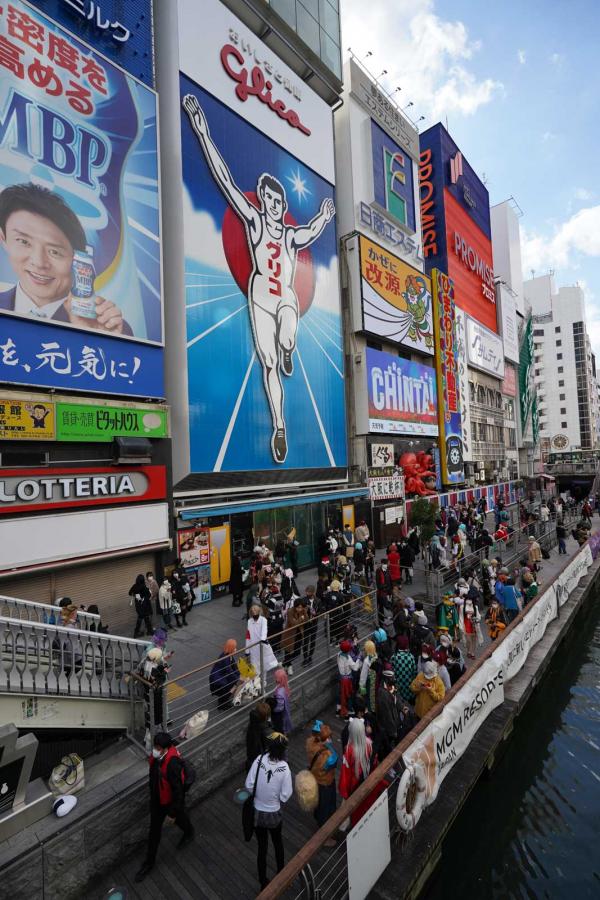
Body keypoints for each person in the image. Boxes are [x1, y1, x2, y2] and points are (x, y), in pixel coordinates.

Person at [184, 95, 335, 465]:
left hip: (283, 295)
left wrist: (325, 217)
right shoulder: (252, 222)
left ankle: (289, 347)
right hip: (259, 294)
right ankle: (279, 426)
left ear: (282, 206)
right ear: (263, 200)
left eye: (276, 200)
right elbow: (226, 181)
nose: (270, 203)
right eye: (266, 197)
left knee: (288, 325)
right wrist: (202, 132)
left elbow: (311, 231)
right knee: (268, 367)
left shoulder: (288, 234)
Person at [0, 183, 131, 335]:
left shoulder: (109, 327)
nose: (39, 262)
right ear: (4, 240)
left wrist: (95, 339)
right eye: (24, 242)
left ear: (78, 260)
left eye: (54, 252)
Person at [134, 732, 194, 882]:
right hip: (157, 801)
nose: (154, 749)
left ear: (166, 749)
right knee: (154, 832)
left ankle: (189, 831)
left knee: (180, 819)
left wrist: (172, 813)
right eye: (155, 746)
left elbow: (178, 792)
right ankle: (149, 862)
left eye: (158, 747)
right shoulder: (157, 759)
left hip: (170, 803)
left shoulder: (172, 764)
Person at [245, 732, 293, 890]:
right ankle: (281, 873)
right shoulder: (284, 768)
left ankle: (262, 882)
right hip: (274, 812)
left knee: (262, 848)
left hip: (258, 813)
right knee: (278, 843)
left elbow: (249, 785)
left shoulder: (259, 760)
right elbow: (285, 795)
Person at [305, 720, 338, 838]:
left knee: (319, 804)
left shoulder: (310, 742)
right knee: (326, 807)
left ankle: (319, 818)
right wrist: (328, 747)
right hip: (326, 782)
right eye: (328, 738)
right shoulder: (326, 755)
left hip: (316, 779)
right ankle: (325, 835)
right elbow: (334, 761)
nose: (330, 740)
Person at [339, 717, 374, 814]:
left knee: (347, 808)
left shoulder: (349, 750)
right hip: (364, 777)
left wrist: (345, 793)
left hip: (353, 783)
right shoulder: (369, 743)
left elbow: (345, 774)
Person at [246, 604, 279, 675]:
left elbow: (264, 630)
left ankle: (263, 681)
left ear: (259, 611)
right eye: (252, 609)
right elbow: (248, 636)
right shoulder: (249, 621)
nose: (253, 610)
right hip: (253, 647)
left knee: (264, 665)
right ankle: (256, 683)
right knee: (254, 666)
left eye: (255, 609)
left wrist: (262, 639)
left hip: (262, 645)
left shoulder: (263, 620)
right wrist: (247, 650)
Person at [209, 639, 239, 711]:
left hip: (220, 676)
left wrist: (239, 674)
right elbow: (229, 671)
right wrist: (238, 679)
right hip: (217, 679)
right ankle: (222, 704)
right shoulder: (226, 658)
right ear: (231, 648)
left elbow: (234, 667)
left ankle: (224, 700)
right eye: (234, 648)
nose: (236, 649)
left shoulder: (229, 655)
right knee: (231, 684)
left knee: (232, 682)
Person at [281, 597, 307, 675]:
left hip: (299, 634)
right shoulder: (290, 611)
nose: (300, 609)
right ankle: (288, 667)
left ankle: (283, 664)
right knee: (288, 651)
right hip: (289, 635)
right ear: (295, 606)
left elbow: (307, 619)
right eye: (298, 607)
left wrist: (303, 615)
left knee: (297, 653)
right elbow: (293, 624)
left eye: (301, 607)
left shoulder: (303, 610)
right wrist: (301, 618)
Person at [246, 701, 272, 773]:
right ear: (266, 716)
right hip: (260, 758)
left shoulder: (253, 722)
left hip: (251, 755)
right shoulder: (265, 729)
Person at [337, 639, 361, 718]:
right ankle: (348, 714)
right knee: (349, 695)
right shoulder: (348, 658)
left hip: (341, 678)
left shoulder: (339, 654)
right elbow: (355, 668)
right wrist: (358, 659)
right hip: (347, 680)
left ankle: (338, 710)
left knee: (341, 694)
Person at [390, 635, 417, 704]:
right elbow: (414, 672)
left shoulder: (394, 657)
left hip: (399, 688)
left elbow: (392, 673)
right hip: (410, 688)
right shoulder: (411, 657)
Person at [271, 668, 292, 735]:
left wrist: (272, 709)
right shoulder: (285, 686)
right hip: (285, 710)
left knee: (282, 725)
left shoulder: (279, 693)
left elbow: (279, 708)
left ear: (279, 679)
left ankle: (283, 737)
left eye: (276, 677)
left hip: (281, 713)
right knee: (285, 721)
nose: (274, 678)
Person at [301, 586, 318, 666]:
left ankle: (310, 657)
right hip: (306, 624)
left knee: (313, 641)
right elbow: (300, 611)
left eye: (308, 592)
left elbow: (320, 611)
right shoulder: (303, 601)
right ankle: (305, 658)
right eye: (306, 592)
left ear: (313, 592)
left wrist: (314, 612)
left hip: (314, 624)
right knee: (305, 642)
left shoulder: (318, 601)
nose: (307, 594)